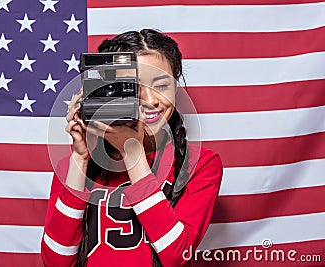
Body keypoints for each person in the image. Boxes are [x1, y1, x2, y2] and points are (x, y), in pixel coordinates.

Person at [41, 29, 223, 267]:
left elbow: (177, 257)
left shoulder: (200, 165)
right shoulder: (73, 167)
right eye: (134, 88)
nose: (150, 99)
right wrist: (80, 156)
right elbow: (56, 262)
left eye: (161, 85)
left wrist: (133, 155)